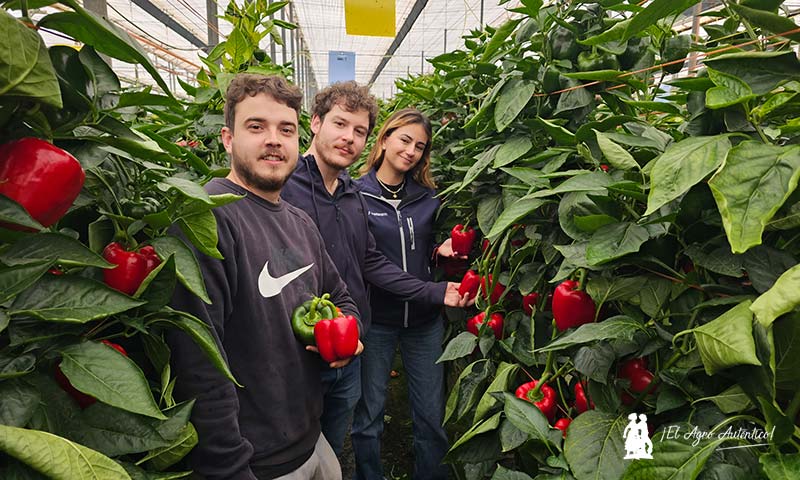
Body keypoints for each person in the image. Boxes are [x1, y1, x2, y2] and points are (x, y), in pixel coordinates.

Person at [166, 73, 362, 480]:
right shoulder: (207, 220)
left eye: (285, 129)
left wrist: (346, 335)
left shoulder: (300, 222)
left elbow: (342, 297)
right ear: (227, 139)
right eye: (256, 126)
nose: (274, 139)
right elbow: (198, 363)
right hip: (256, 461)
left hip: (311, 438)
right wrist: (228, 466)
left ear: (296, 140)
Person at [280, 82, 469, 458]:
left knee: (336, 439)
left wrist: (435, 282)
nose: (349, 137)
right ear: (315, 123)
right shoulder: (286, 185)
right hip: (299, 342)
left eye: (358, 130)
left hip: (348, 335)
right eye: (340, 124)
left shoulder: (350, 196)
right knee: (292, 446)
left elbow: (369, 261)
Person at [351, 108, 455, 480]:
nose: (411, 151)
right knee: (369, 415)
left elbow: (417, 248)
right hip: (377, 321)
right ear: (385, 139)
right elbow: (371, 262)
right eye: (405, 140)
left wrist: (439, 251)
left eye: (420, 147)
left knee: (430, 415)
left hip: (424, 323)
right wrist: (432, 290)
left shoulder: (429, 198)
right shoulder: (356, 196)